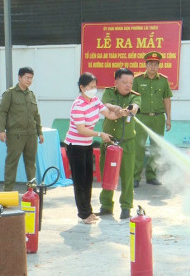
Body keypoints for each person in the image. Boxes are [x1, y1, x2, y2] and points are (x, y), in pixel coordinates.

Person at [64, 72, 128, 224]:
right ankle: (83, 213)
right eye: (91, 87)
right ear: (82, 87)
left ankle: (89, 211)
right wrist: (100, 134)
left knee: (88, 180)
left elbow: (110, 115)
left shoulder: (95, 101)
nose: (94, 90)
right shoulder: (78, 105)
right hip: (75, 146)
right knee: (80, 181)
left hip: (86, 145)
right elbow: (81, 129)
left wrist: (121, 113)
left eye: (95, 87)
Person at [95, 68, 141, 219]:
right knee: (107, 175)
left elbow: (136, 105)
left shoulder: (135, 97)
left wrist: (132, 109)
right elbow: (106, 104)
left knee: (127, 176)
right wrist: (116, 109)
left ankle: (126, 207)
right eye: (124, 82)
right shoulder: (108, 92)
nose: (128, 85)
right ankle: (106, 206)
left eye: (131, 82)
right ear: (116, 82)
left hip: (127, 143)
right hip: (109, 142)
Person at [0, 67, 44, 191]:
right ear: (19, 77)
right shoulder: (10, 94)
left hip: (31, 133)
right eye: (26, 78)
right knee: (12, 162)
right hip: (15, 134)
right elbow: (2, 111)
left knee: (31, 163)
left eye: (31, 78)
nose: (29, 80)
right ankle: (8, 190)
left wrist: (40, 132)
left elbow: (36, 115)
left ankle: (32, 190)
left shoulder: (31, 95)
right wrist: (1, 130)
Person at [132, 51, 173, 188]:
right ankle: (135, 177)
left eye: (156, 64)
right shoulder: (137, 80)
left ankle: (151, 176)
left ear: (159, 66)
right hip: (141, 117)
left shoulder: (163, 81)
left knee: (157, 147)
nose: (153, 67)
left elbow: (166, 99)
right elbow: (132, 98)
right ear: (146, 65)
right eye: (150, 64)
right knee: (139, 147)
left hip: (158, 118)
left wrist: (169, 118)